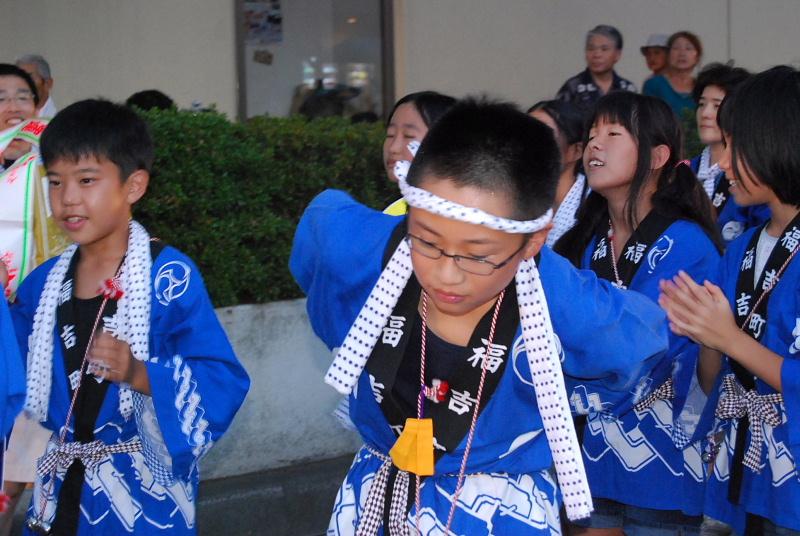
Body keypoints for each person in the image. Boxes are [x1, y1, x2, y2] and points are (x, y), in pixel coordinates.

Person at [291, 97, 673, 535]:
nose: (447, 275)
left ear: (532, 243)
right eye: (428, 242)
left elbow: (638, 340)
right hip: (377, 494)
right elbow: (321, 226)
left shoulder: (557, 296)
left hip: (500, 512)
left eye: (478, 255)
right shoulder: (365, 249)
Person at [5, 99, 250, 534]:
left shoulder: (169, 277)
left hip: (143, 499)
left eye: (86, 180)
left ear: (133, 186)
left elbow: (222, 378)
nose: (68, 199)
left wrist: (139, 373)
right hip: (56, 493)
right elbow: (13, 380)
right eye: (55, 182)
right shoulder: (41, 285)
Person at [555, 91, 721, 535]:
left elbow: (633, 345)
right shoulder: (587, 244)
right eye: (591, 135)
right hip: (594, 457)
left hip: (664, 462)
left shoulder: (685, 245)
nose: (594, 144)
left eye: (612, 133)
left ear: (658, 156)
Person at [660, 65, 800, 536]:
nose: (720, 163)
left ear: (777, 143)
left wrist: (726, 336)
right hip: (740, 472)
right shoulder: (740, 249)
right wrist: (703, 333)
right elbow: (710, 377)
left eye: (734, 146)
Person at [0, 63, 69, 536]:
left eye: (21, 96)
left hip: (33, 325)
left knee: (26, 444)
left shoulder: (57, 165)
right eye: (0, 97)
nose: (12, 107)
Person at [689, 63, 768, 246]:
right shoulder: (684, 171)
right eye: (702, 104)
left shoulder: (754, 175)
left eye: (717, 106)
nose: (706, 113)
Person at [382, 91, 456, 215]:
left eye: (408, 136)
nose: (393, 148)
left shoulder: (464, 214)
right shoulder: (394, 212)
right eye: (390, 135)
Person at [527, 100, 588, 247]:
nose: (527, 144)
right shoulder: (512, 196)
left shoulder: (593, 205)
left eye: (542, 135)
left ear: (576, 151)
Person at [556, 25, 636, 114]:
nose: (597, 55)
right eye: (591, 49)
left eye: (604, 49)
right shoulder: (573, 87)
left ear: (617, 54)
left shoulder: (627, 89)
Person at [643, 31, 703, 118]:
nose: (682, 53)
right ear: (668, 55)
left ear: (697, 57)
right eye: (676, 48)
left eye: (688, 48)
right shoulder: (654, 84)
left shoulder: (702, 87)